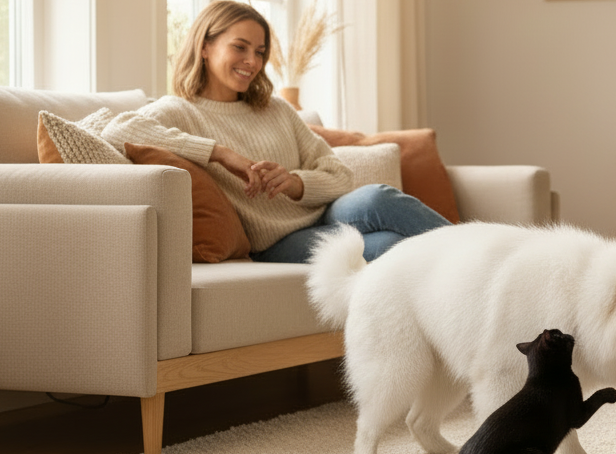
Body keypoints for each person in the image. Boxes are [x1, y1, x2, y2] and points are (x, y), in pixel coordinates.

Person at [104, 1, 449, 263]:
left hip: (323, 212)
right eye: (240, 47)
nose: (252, 61)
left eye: (260, 51)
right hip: (277, 242)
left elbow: (339, 175)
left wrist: (296, 183)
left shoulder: (276, 109)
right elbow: (117, 129)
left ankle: (487, 255)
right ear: (205, 47)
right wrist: (222, 154)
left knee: (377, 197)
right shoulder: (180, 110)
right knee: (390, 245)